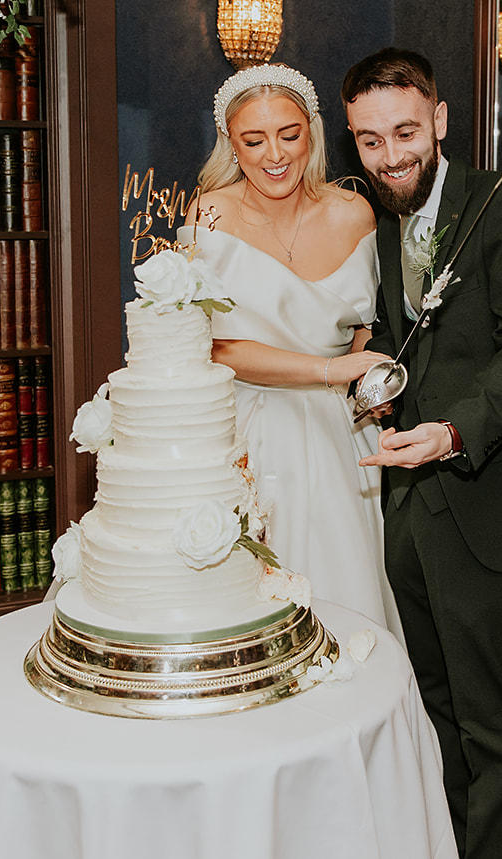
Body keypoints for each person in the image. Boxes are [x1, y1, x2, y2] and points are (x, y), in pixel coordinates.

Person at [344, 47, 502, 859]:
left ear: (440, 120)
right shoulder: (378, 224)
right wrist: (374, 382)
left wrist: (452, 432)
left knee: (490, 720)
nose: (391, 155)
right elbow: (396, 337)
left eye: (406, 131)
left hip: (484, 495)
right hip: (409, 505)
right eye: (371, 140)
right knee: (430, 702)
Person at [181, 62, 402, 637]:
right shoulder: (211, 214)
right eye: (253, 140)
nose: (273, 154)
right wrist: (332, 369)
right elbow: (217, 347)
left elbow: (365, 324)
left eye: (289, 134)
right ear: (232, 143)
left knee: (345, 593)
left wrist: (367, 384)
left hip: (342, 435)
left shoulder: (354, 212)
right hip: (248, 427)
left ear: (313, 131)